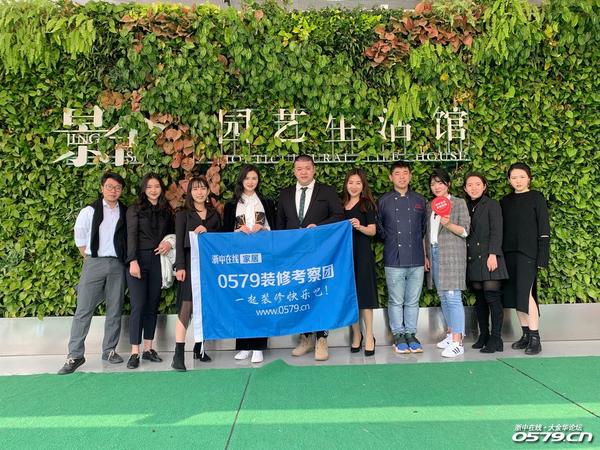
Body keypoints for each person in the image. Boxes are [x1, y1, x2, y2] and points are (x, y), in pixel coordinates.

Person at [58, 172, 128, 375]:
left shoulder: (125, 211)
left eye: (117, 188)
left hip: (118, 264)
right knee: (83, 309)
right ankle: (75, 355)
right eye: (109, 187)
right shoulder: (89, 211)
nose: (113, 191)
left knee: (114, 308)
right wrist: (90, 258)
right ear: (102, 188)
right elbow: (79, 237)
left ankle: (109, 351)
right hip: (94, 262)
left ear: (121, 191)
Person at [277, 154, 344, 361]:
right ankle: (305, 338)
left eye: (307, 168)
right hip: (294, 255)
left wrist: (319, 227)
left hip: (321, 253)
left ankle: (322, 339)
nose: (303, 172)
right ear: (294, 171)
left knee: (320, 292)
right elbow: (280, 224)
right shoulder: (285, 194)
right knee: (300, 294)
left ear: (314, 169)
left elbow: (339, 216)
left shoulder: (327, 191)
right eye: (299, 169)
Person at [223, 165, 276, 364]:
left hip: (262, 259)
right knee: (241, 301)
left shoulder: (267, 202)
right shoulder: (231, 205)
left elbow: (276, 230)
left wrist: (263, 228)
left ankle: (259, 346)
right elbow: (224, 234)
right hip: (240, 261)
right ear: (241, 180)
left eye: (254, 178)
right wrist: (238, 230)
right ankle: (244, 346)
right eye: (247, 178)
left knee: (260, 300)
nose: (251, 182)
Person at [377, 161, 428, 354]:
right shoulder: (384, 200)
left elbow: (423, 228)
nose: (401, 177)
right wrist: (391, 240)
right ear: (391, 177)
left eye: (405, 173)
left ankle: (411, 334)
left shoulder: (420, 200)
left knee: (413, 300)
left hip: (417, 257)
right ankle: (398, 335)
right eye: (397, 173)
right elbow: (380, 228)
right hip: (393, 258)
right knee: (396, 300)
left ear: (410, 176)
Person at [124, 173, 174, 369]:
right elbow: (130, 236)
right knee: (138, 305)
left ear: (161, 188)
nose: (153, 190)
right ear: (144, 189)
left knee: (152, 305)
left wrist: (169, 243)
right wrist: (132, 261)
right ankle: (134, 352)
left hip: (157, 261)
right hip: (138, 261)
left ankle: (148, 349)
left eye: (157, 186)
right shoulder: (134, 209)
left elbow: (172, 234)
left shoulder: (165, 210)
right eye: (149, 186)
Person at [172, 176, 222, 371]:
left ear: (208, 191)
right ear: (190, 193)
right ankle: (178, 353)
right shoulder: (183, 214)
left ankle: (199, 347)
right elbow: (179, 242)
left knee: (205, 305)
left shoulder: (214, 214)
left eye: (203, 189)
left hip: (209, 268)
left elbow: (220, 241)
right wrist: (180, 266)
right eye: (195, 189)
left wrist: (207, 230)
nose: (199, 192)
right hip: (189, 265)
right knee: (187, 306)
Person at [500, 163, 550, 355]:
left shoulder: (537, 197)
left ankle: (536, 337)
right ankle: (526, 334)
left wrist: (542, 257)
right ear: (509, 180)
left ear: (529, 178)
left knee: (526, 294)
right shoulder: (505, 201)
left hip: (528, 254)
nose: (518, 181)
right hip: (508, 253)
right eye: (514, 177)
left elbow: (544, 229)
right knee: (514, 295)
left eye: (522, 177)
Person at [425, 168, 470, 358]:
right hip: (434, 252)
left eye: (440, 183)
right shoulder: (430, 205)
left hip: (452, 255)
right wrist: (426, 255)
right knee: (443, 295)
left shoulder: (458, 203)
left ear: (448, 184)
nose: (436, 187)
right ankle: (452, 334)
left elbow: (465, 231)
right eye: (433, 184)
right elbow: (427, 233)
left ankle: (458, 342)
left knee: (453, 296)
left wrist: (448, 224)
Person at [463, 172, 508, 354]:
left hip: (490, 257)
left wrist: (493, 253)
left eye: (477, 184)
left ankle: (496, 338)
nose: (473, 188)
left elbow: (497, 230)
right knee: (480, 299)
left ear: (484, 186)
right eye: (470, 185)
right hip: (473, 258)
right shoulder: (464, 206)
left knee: (492, 296)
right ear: (465, 188)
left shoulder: (492, 204)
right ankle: (484, 335)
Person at [342, 169, 379, 356]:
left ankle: (370, 335)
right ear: (346, 185)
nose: (354, 186)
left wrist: (359, 226)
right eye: (351, 182)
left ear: (363, 185)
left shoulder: (367, 204)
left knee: (365, 296)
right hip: (344, 256)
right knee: (351, 297)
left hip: (362, 254)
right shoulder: (341, 205)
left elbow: (372, 231)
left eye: (358, 183)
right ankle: (357, 335)